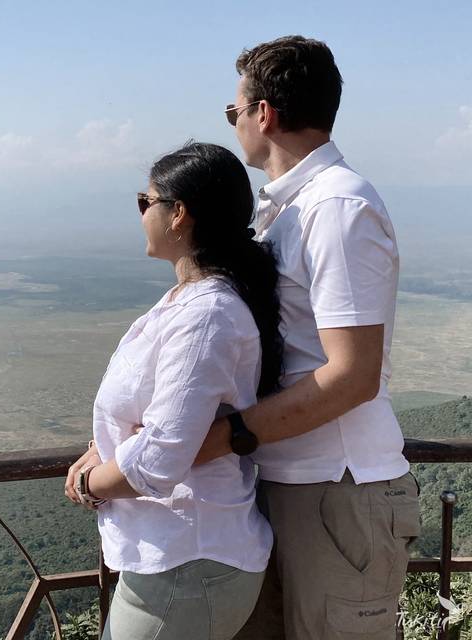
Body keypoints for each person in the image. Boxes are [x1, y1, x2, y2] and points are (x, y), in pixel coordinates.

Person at [194, 36, 421, 640]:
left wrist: (228, 437)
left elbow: (351, 374)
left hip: (336, 488)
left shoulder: (338, 207)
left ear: (262, 113)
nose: (234, 123)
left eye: (232, 111)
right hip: (293, 479)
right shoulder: (291, 208)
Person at [64, 141, 283, 640]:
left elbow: (162, 454)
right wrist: (109, 445)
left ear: (178, 214)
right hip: (175, 559)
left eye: (146, 203)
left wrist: (88, 485)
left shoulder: (207, 314)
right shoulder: (188, 302)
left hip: (189, 560)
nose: (141, 215)